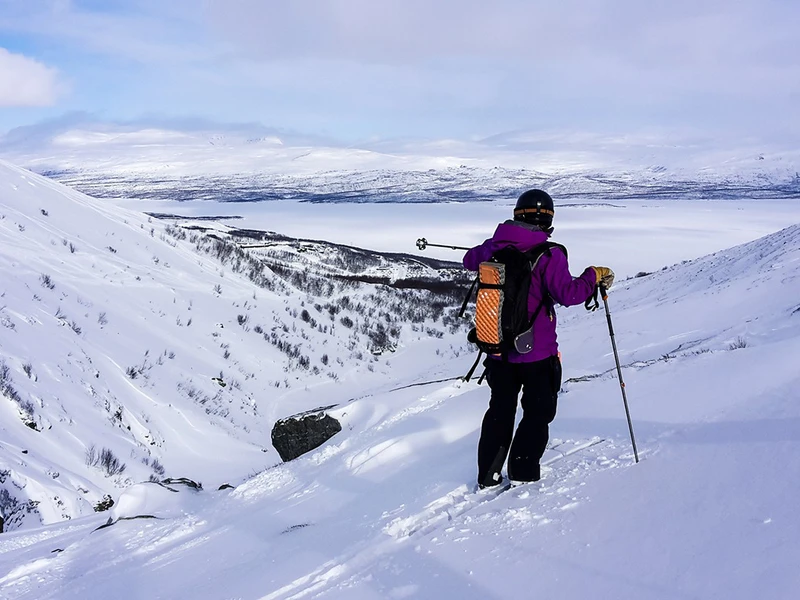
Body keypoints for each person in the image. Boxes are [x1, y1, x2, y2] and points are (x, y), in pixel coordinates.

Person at [463, 189, 614, 488]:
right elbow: (569, 294)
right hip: (537, 353)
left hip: (497, 349)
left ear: (516, 215)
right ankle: (523, 472)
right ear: (548, 220)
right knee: (538, 412)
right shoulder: (549, 254)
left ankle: (488, 475)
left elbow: (469, 260)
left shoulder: (493, 247)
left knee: (500, 411)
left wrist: (493, 247)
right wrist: (593, 275)